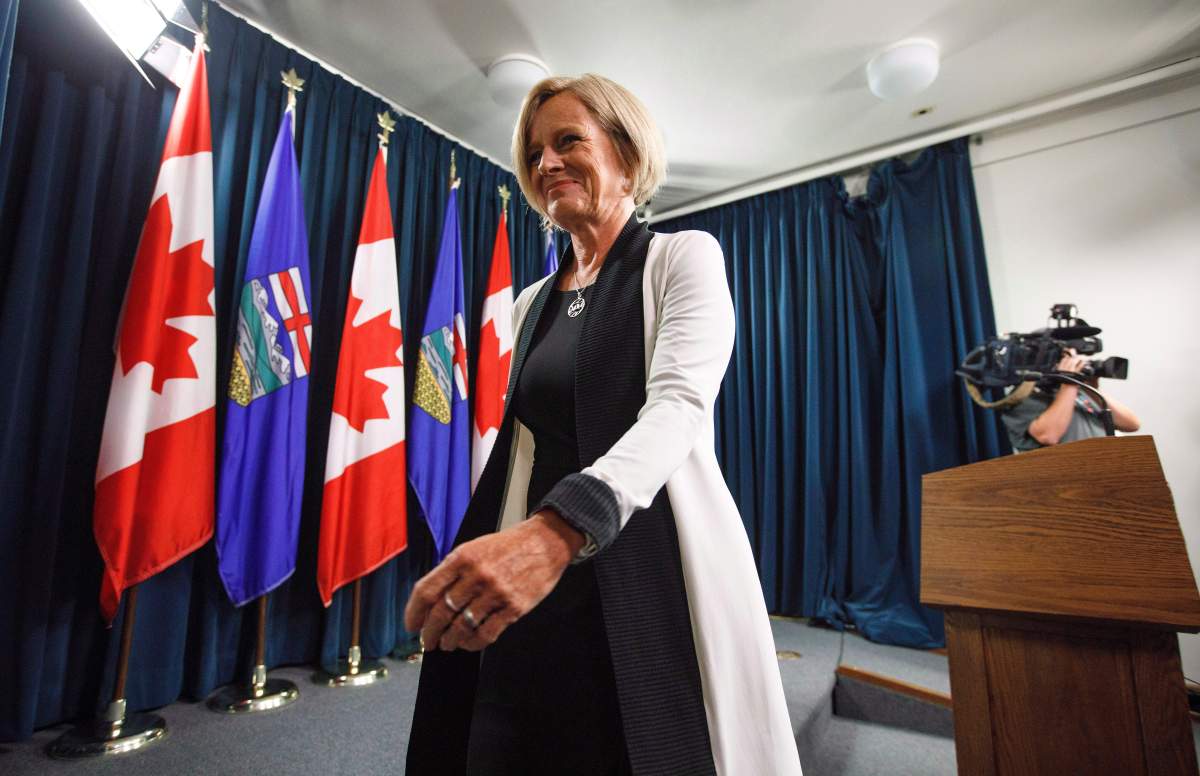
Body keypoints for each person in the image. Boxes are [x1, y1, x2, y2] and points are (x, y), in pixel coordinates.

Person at [404, 74, 802, 776]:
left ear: (624, 150)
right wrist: (503, 549)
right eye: (534, 153)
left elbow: (677, 407)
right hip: (541, 581)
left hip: (641, 570)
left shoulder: (682, 258)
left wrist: (557, 532)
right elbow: (524, 448)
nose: (546, 163)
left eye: (567, 142)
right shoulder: (531, 302)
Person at [1001, 348, 1140, 451]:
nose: (1076, 360)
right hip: (1067, 484)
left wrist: (1089, 387)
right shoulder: (1026, 398)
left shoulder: (1077, 391)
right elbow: (1048, 435)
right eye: (1069, 356)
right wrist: (1070, 382)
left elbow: (1132, 424)